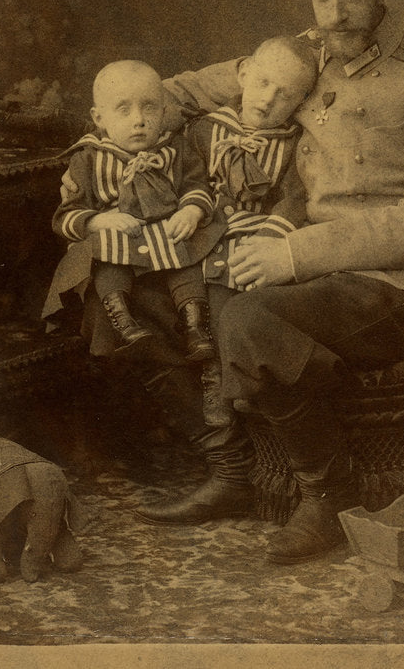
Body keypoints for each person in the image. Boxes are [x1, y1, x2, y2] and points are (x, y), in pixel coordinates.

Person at [137, 0, 404, 565]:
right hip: (302, 272)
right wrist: (123, 130)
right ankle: (234, 472)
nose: (335, 12)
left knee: (247, 317)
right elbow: (172, 94)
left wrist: (297, 255)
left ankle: (326, 494)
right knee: (149, 292)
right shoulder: (294, 62)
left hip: (393, 286)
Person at [135, 35, 317, 523]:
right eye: (261, 83)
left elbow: (300, 196)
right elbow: (180, 172)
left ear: (302, 102)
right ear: (241, 76)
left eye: (285, 95)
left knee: (225, 321)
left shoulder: (297, 145)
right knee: (145, 293)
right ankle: (225, 457)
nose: (268, 98)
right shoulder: (206, 130)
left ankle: (244, 463)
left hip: (253, 247)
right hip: (201, 239)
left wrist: (277, 234)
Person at [42, 59, 224, 362]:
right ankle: (122, 320)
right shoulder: (88, 159)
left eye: (150, 108)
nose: (138, 120)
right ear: (99, 117)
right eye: (123, 110)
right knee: (104, 256)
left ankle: (195, 326)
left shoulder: (174, 149)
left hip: (167, 230)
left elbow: (197, 185)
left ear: (165, 112)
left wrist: (191, 210)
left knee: (189, 252)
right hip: (120, 235)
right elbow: (65, 217)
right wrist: (99, 221)